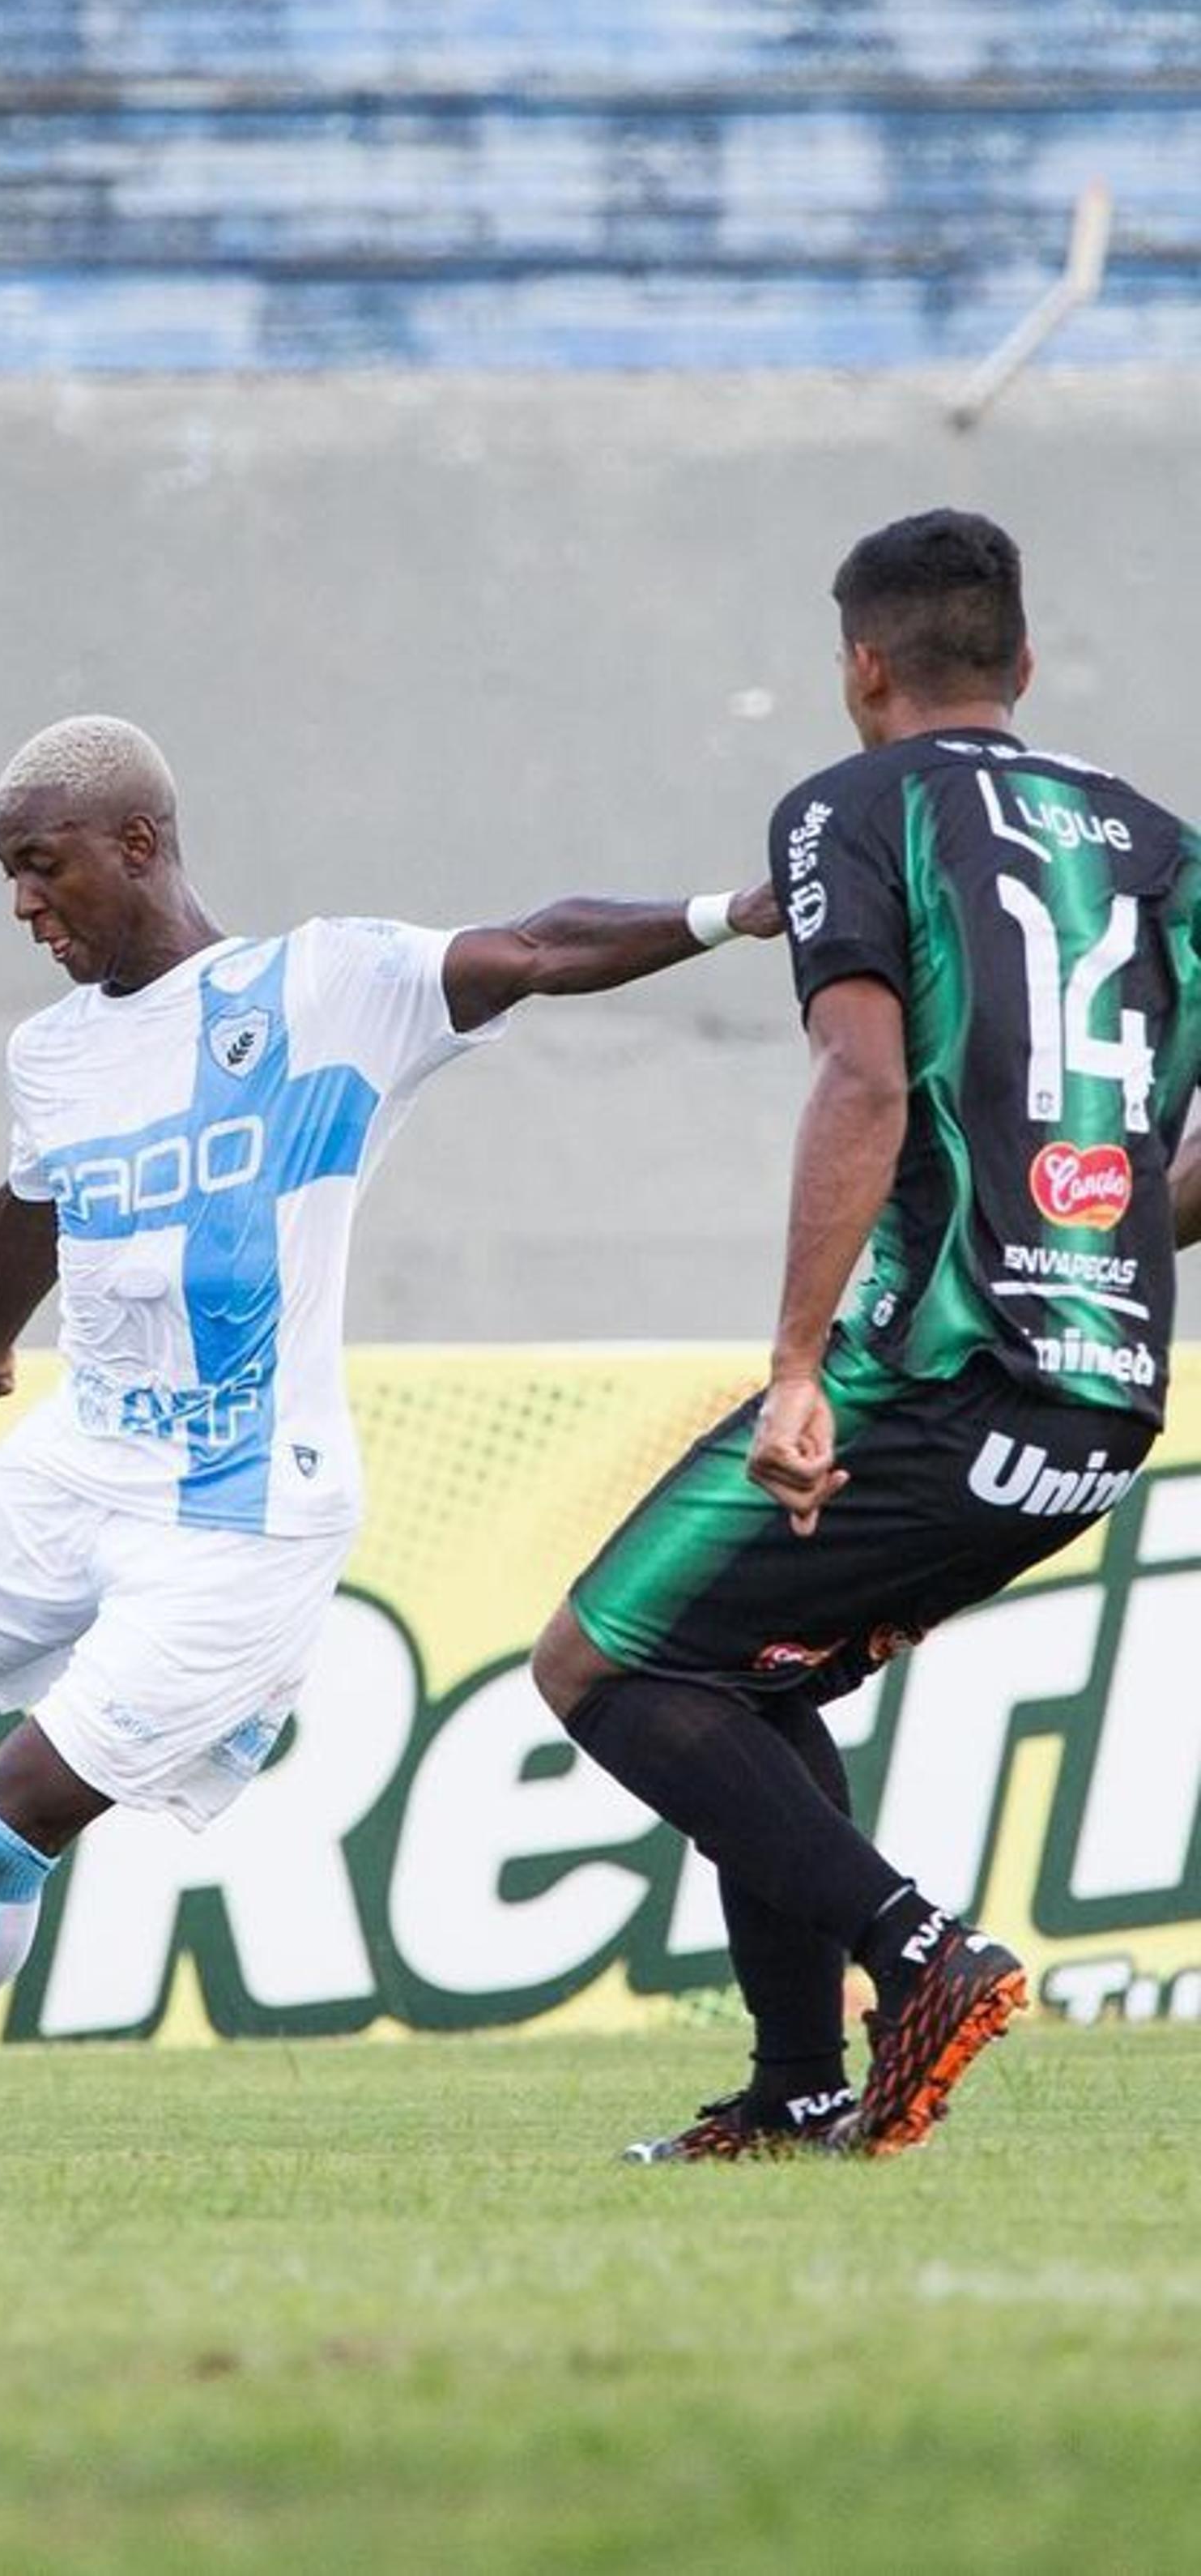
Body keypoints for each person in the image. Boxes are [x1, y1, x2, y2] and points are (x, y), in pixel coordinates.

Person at [0, 714, 776, 2149]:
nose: (21, 906)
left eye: (42, 868)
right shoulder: (51, 1055)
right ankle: (125, 1686)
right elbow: (32, 1206)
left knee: (7, 1814)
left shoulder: (325, 987)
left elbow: (536, 948)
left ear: (141, 843)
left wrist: (726, 914)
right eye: (6, 876)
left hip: (240, 1511)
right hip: (73, 1468)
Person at [534, 509, 1201, 2164]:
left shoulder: (853, 806)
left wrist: (794, 1367)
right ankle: (796, 2090)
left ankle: (919, 1959)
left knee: (605, 1661)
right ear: (1024, 664)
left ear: (861, 668)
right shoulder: (1163, 846)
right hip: (1105, 1401)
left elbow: (862, 1075)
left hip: (934, 1368)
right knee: (748, 1672)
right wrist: (1108, 1233)